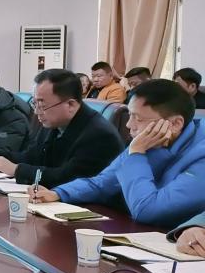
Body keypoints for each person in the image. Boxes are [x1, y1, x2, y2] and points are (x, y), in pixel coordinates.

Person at [30, 79, 205, 227]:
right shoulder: (150, 142)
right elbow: (102, 183)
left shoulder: (199, 156)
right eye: (130, 115)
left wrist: (136, 154)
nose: (129, 125)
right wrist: (59, 193)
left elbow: (147, 210)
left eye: (138, 118)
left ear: (175, 124)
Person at [0, 69, 124, 188]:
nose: (37, 112)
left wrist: (16, 170)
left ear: (70, 104)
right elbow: (31, 157)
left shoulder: (98, 135)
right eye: (35, 104)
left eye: (42, 105)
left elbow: (67, 178)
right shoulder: (53, 122)